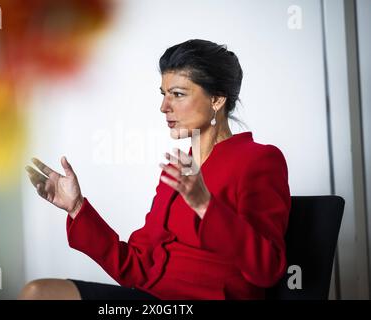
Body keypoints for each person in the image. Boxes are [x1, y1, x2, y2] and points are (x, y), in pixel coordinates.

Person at [18, 39, 291, 300]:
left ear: (217, 100)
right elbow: (135, 268)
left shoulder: (260, 160)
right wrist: (77, 208)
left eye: (178, 94)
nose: (164, 107)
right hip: (152, 300)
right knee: (39, 293)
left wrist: (206, 206)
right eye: (164, 94)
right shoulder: (176, 170)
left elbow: (267, 270)